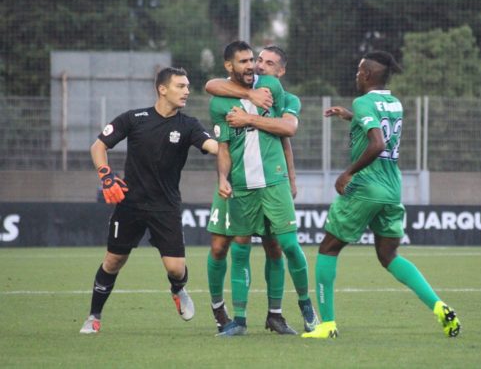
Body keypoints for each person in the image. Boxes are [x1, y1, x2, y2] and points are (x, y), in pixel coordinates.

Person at [301, 51, 461, 339]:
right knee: (388, 255)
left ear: (368, 75)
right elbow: (378, 127)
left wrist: (348, 172)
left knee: (328, 248)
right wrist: (349, 117)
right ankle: (439, 307)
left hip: (366, 186)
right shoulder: (394, 103)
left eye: (359, 70)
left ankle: (326, 325)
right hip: (391, 188)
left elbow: (377, 142)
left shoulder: (363, 101)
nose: (356, 74)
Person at [79, 67, 218, 334]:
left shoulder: (188, 125)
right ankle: (93, 316)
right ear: (162, 89)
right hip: (130, 205)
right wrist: (106, 176)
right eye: (180, 86)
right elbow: (98, 146)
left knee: (176, 269)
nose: (187, 91)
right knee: (113, 261)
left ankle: (178, 289)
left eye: (188, 86)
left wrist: (227, 143)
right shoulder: (134, 118)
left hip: (166, 206)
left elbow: (211, 146)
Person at [209, 41, 318, 337]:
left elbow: (288, 131)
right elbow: (224, 146)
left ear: (279, 71)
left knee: (287, 246)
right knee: (238, 248)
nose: (254, 65)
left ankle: (305, 307)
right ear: (231, 66)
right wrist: (223, 178)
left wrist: (247, 118)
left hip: (274, 181)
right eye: (249, 60)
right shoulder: (220, 101)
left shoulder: (274, 89)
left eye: (257, 61)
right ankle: (240, 320)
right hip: (243, 185)